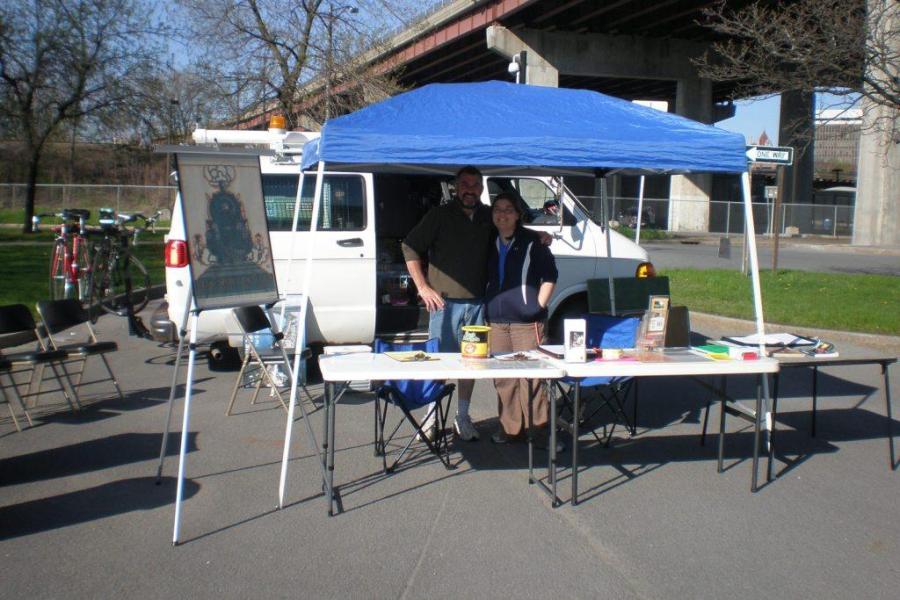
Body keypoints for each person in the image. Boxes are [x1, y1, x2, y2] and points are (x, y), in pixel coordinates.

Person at [402, 166, 493, 441]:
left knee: (471, 364)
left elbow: (515, 232)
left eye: (475, 185)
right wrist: (422, 287)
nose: (470, 189)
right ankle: (431, 415)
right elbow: (409, 246)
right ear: (456, 187)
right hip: (444, 306)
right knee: (439, 363)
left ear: (481, 188)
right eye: (465, 184)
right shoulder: (440, 215)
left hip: (478, 304)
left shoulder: (490, 215)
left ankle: (462, 416)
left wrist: (538, 236)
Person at [484, 193, 558, 444]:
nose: (502, 214)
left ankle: (538, 433)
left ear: (517, 214)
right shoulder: (489, 239)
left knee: (532, 378)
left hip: (527, 322)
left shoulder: (533, 242)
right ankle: (510, 429)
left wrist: (537, 306)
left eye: (508, 209)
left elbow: (550, 276)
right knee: (504, 379)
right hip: (497, 322)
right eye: (497, 209)